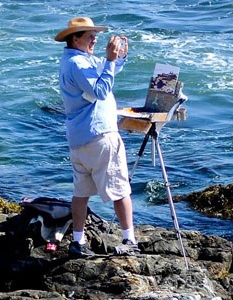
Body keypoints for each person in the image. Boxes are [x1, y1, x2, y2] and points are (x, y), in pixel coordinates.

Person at [54, 16, 138, 258]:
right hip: (99, 135)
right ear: (75, 38)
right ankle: (128, 239)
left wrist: (117, 59)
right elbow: (101, 90)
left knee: (81, 193)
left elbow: (103, 72)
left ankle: (78, 242)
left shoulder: (73, 60)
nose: (95, 39)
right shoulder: (79, 65)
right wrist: (111, 61)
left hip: (79, 139)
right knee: (120, 189)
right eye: (89, 36)